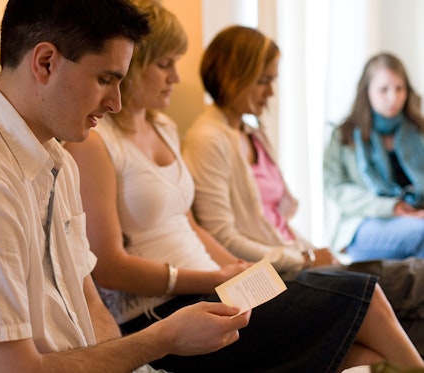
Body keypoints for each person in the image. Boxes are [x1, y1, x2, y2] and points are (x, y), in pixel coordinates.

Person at [0, 1, 253, 372]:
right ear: (45, 62)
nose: (115, 103)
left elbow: (91, 305)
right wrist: (161, 339)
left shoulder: (58, 162)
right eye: (105, 79)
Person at [64, 7, 424, 370]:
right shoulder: (97, 141)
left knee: (368, 348)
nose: (176, 77)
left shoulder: (165, 128)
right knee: (369, 297)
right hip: (163, 308)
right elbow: (109, 267)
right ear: (136, 64)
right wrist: (217, 276)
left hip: (213, 286)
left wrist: (237, 267)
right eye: (166, 64)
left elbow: (192, 225)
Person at [181, 25, 424, 358]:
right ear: (233, 76)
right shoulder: (208, 138)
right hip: (279, 272)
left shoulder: (252, 132)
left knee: (414, 287)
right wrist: (305, 257)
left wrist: (311, 250)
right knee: (406, 285)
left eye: (273, 80)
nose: (270, 92)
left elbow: (276, 222)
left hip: (294, 258)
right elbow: (224, 237)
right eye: (264, 80)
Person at [323, 52, 424, 262]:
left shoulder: (418, 130)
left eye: (399, 88)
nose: (393, 98)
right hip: (366, 221)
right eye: (383, 90)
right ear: (366, 91)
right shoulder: (344, 135)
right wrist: (392, 207)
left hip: (418, 215)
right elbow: (337, 190)